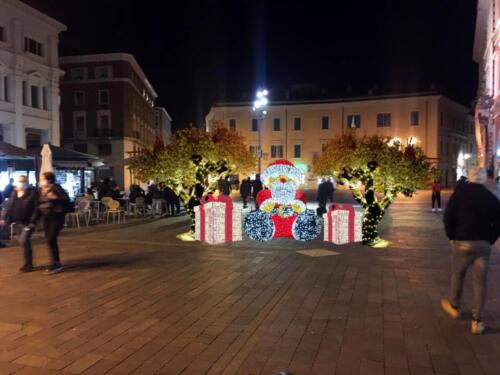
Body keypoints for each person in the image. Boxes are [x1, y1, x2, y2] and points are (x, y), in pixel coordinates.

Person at [441, 167, 500, 335]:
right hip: (483, 244)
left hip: (462, 241)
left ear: (470, 178)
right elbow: (498, 221)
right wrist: (490, 239)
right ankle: (477, 321)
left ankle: (454, 305)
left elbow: (448, 217)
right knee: (480, 282)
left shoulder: (459, 194)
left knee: (458, 274)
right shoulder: (491, 198)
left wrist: (451, 236)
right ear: (483, 179)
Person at [35, 172, 70, 275]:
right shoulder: (41, 190)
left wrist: (55, 198)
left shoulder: (56, 187)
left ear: (49, 179)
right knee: (49, 240)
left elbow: (66, 199)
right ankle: (55, 262)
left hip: (56, 217)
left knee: (51, 238)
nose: (41, 181)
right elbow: (39, 204)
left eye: (42, 179)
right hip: (47, 218)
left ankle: (56, 263)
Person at [0, 175, 38, 272]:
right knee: (23, 242)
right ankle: (28, 263)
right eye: (20, 181)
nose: (21, 183)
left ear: (27, 182)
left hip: (28, 223)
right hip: (18, 222)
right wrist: (4, 218)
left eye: (23, 181)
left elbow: (36, 209)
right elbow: (9, 205)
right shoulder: (15, 192)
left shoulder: (32, 193)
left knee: (24, 241)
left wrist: (33, 221)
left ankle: (28, 264)